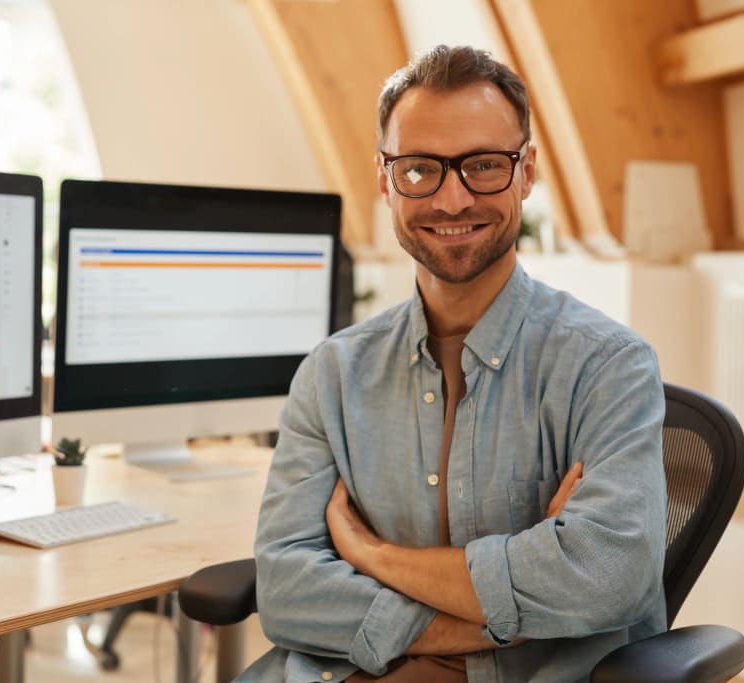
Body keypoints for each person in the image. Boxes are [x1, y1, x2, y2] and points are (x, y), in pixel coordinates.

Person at [239, 45, 667, 683]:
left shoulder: (609, 366)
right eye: (419, 170)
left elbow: (606, 577)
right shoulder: (332, 376)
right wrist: (498, 606)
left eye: (485, 165)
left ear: (526, 174)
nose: (451, 199)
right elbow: (285, 589)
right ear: (385, 180)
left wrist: (370, 555)